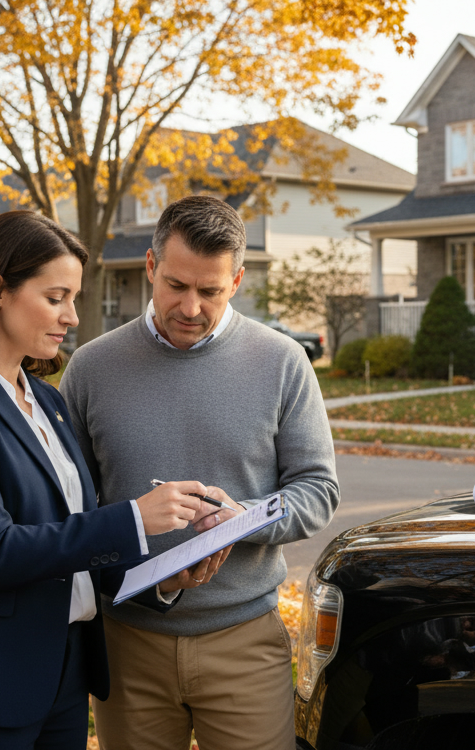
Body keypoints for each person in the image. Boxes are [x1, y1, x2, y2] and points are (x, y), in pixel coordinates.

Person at [0, 210, 228, 749]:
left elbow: (70, 543)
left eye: (74, 299)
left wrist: (158, 578)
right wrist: (134, 517)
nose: (72, 317)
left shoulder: (46, 400)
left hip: (62, 677)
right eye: (55, 297)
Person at [61, 195, 340, 750]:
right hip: (127, 641)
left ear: (236, 281)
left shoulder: (283, 361)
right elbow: (72, 508)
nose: (190, 307)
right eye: (176, 285)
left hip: (244, 642)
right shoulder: (90, 367)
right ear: (150, 267)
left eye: (209, 291)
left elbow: (317, 489)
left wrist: (248, 518)